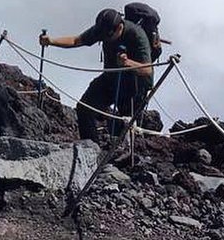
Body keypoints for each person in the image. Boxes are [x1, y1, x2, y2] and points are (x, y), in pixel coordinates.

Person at [39, 8, 154, 142]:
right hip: (111, 78)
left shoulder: (137, 35)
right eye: (103, 36)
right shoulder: (103, 29)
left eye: (108, 36)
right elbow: (77, 40)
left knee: (124, 124)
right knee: (84, 108)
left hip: (135, 85)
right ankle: (91, 149)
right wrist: (51, 41)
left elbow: (147, 70)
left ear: (119, 28)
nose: (105, 39)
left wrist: (127, 62)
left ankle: (124, 157)